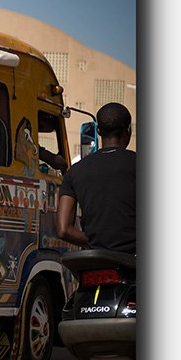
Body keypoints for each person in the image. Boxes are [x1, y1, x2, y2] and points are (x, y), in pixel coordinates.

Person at [55, 102, 136, 253]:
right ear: (128, 130)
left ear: (98, 130)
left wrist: (96, 244)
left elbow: (63, 229)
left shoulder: (76, 171)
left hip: (94, 259)